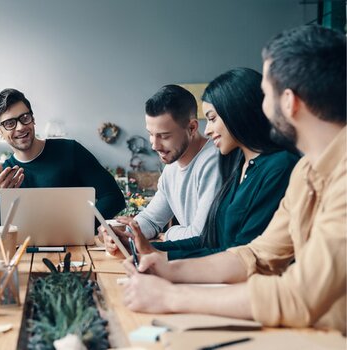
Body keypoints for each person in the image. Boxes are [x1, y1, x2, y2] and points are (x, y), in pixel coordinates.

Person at [121, 25, 346, 334]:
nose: (262, 107)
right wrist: (169, 267)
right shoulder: (306, 172)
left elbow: (301, 294)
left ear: (289, 102)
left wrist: (174, 295)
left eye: (266, 94)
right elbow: (256, 254)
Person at [104, 68, 300, 260]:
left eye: (212, 118)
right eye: (150, 134)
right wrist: (137, 243)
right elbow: (212, 241)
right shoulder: (241, 165)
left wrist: (162, 250)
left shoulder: (269, 166)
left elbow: (239, 255)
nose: (154, 145)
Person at [0, 88, 125, 232]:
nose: (20, 127)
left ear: (33, 119)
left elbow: (113, 197)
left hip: (77, 250)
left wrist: (81, 227)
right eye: (9, 123)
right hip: (24, 253)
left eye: (25, 117)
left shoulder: (70, 151)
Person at [100, 85, 221, 243]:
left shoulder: (214, 161)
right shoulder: (171, 167)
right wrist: (124, 235)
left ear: (192, 128)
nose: (154, 146)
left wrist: (168, 234)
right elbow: (151, 219)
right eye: (151, 134)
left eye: (164, 136)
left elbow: (202, 235)